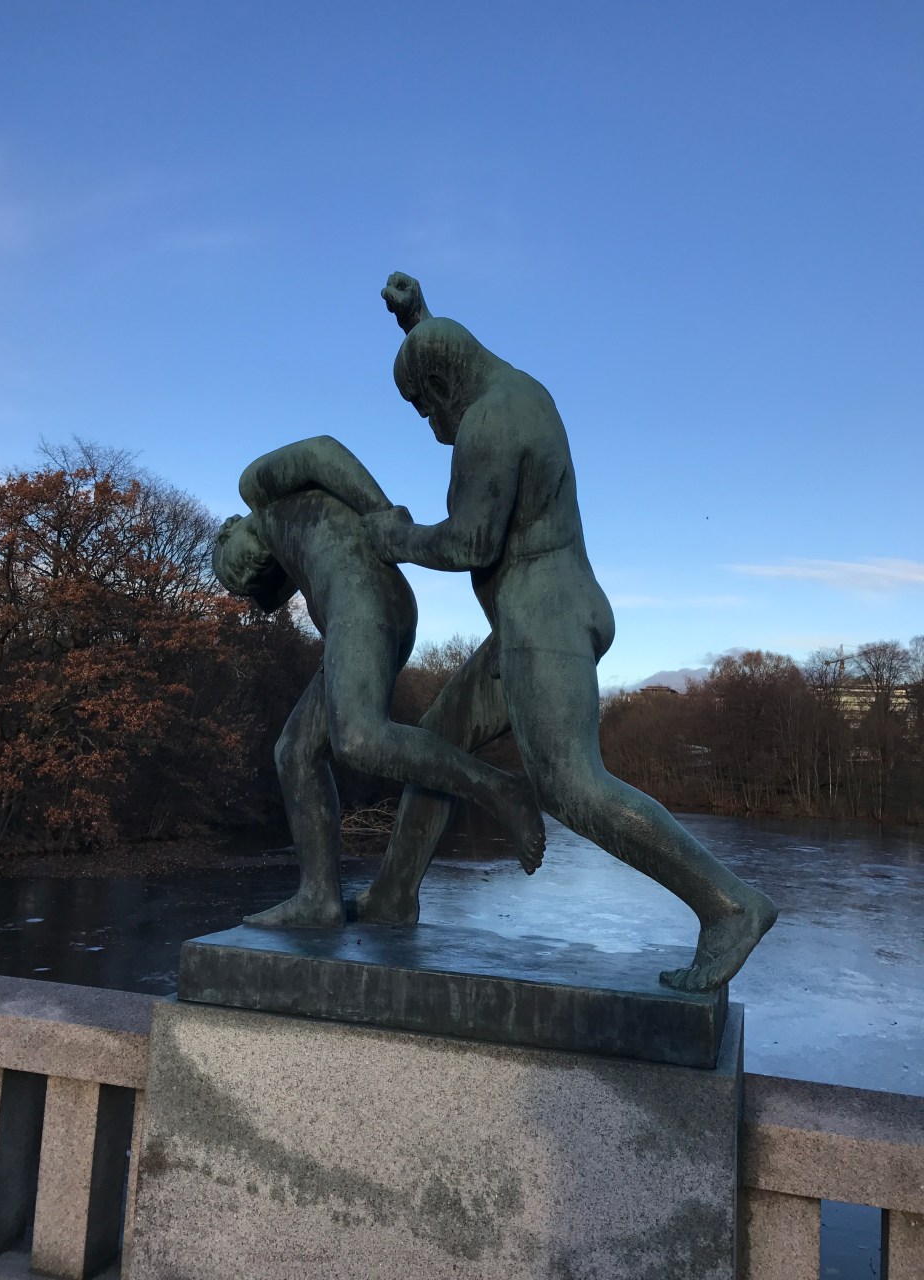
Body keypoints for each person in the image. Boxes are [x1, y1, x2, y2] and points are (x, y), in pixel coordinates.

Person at [357, 274, 777, 993]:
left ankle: (730, 905)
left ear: (444, 384)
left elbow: (470, 542)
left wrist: (396, 537)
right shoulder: (513, 390)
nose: (428, 423)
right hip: (535, 614)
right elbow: (446, 352)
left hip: (542, 618)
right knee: (435, 741)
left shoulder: (492, 419)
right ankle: (391, 897)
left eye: (425, 405)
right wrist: (417, 319)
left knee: (571, 784)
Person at [213, 435, 545, 929]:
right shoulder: (285, 538)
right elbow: (269, 593)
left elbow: (321, 451)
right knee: (295, 752)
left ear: (230, 529)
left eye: (231, 565)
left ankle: (500, 788)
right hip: (361, 614)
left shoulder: (257, 490)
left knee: (359, 738)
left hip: (363, 600)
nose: (244, 576)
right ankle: (320, 898)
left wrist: (384, 518)